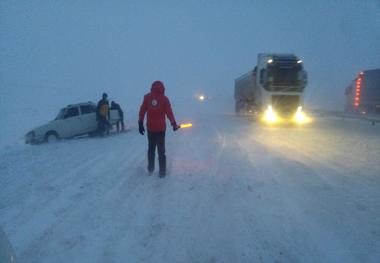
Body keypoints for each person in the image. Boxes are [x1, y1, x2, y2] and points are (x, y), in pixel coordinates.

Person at [138, 81, 180, 177]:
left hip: (150, 128)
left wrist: (140, 123)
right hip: (161, 129)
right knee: (161, 151)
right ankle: (162, 172)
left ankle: (150, 169)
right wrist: (174, 124)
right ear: (162, 88)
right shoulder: (165, 99)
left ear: (152, 87)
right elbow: (169, 113)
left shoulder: (147, 97)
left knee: (151, 149)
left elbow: (142, 110)